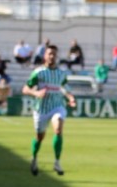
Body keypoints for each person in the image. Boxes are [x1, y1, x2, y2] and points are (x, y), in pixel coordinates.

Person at [22, 45, 76, 176]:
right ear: (45, 56)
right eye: (49, 53)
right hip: (41, 109)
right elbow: (25, 89)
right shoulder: (38, 72)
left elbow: (65, 88)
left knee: (58, 129)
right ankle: (34, 158)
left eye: (54, 54)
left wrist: (70, 98)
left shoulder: (61, 74)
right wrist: (36, 93)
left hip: (57, 106)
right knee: (39, 137)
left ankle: (57, 162)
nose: (52, 56)